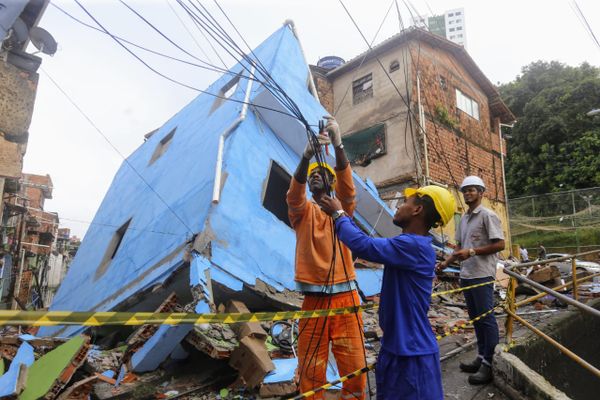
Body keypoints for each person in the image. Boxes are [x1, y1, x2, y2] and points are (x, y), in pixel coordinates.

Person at [319, 185, 456, 400]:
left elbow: (363, 245)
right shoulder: (408, 245)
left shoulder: (413, 246)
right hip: (396, 348)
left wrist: (338, 214)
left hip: (412, 356)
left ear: (417, 210)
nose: (398, 207)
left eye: (404, 203)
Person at [287, 116, 366, 399]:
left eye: (322, 172)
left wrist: (338, 144)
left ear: (332, 181)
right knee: (311, 372)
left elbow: (348, 188)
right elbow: (293, 195)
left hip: (346, 300)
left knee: (355, 370)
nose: (315, 175)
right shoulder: (303, 213)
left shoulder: (342, 209)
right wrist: (306, 156)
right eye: (312, 175)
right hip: (313, 303)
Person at [437, 176, 505, 385]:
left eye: (472, 190)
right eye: (465, 190)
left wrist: (473, 251)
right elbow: (459, 248)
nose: (468, 193)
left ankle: (489, 364)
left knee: (486, 318)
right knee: (476, 319)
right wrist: (445, 262)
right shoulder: (464, 219)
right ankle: (481, 356)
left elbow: (500, 244)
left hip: (482, 274)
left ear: (481, 192)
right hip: (466, 275)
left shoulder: (488, 216)